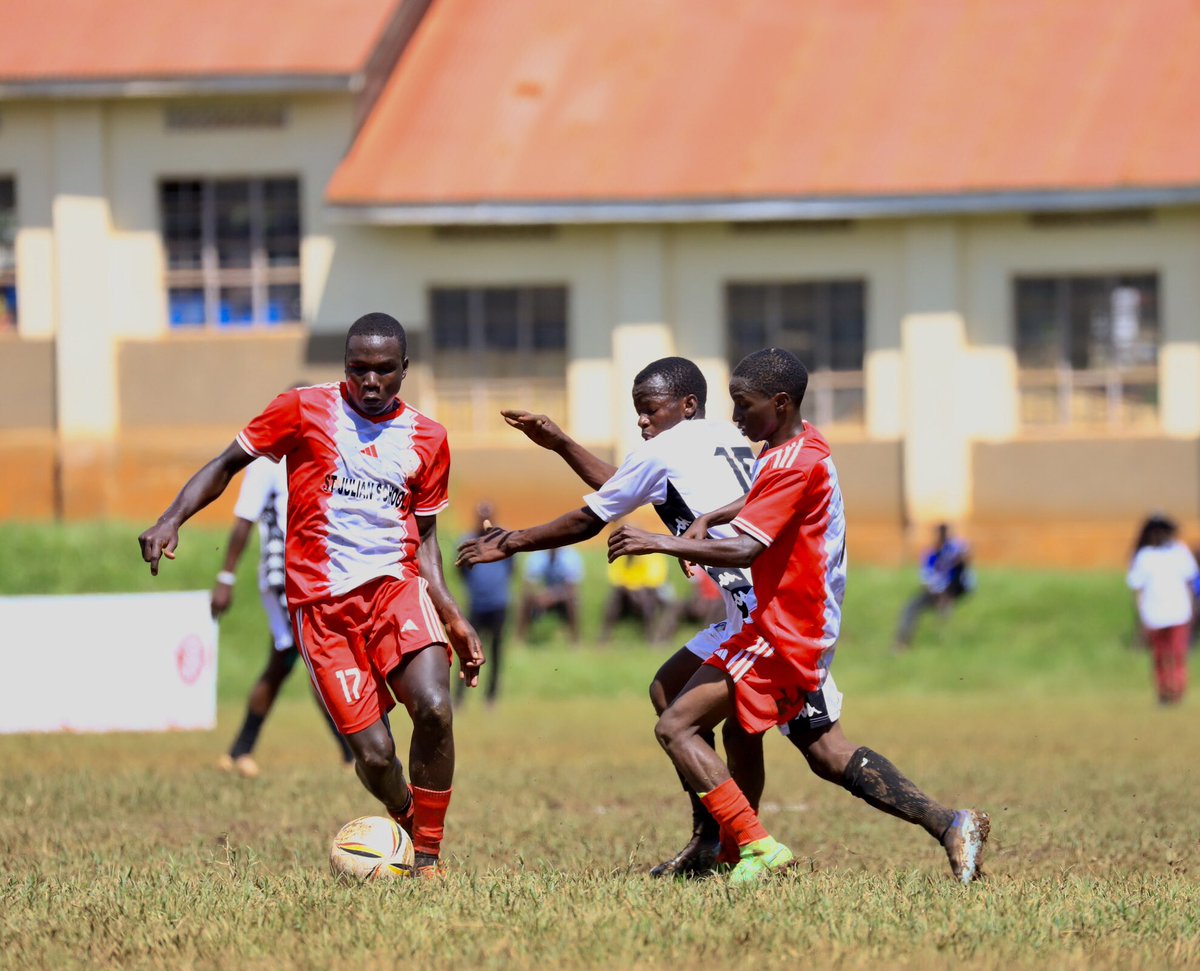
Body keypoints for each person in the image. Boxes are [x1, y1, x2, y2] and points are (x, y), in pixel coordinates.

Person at [608, 348, 990, 885]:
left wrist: (659, 541)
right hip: (777, 620)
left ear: (780, 402)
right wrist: (710, 517)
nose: (736, 417)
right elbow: (758, 500)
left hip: (784, 627)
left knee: (683, 727)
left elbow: (745, 550)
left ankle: (753, 847)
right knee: (787, 740)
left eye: (745, 405)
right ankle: (947, 824)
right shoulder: (798, 447)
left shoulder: (794, 462)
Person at [139, 312, 483, 877]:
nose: (370, 383)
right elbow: (229, 463)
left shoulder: (430, 438)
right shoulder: (301, 410)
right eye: (358, 370)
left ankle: (427, 857)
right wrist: (171, 518)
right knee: (374, 755)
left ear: (404, 370)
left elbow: (424, 542)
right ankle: (401, 813)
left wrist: (452, 614)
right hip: (321, 610)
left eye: (383, 372)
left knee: (436, 708)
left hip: (396, 591)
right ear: (344, 366)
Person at [457, 356, 767, 878]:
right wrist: (560, 442)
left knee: (821, 747)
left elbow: (591, 518)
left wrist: (511, 542)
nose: (642, 422)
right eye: (637, 413)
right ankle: (714, 840)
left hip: (764, 610)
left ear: (687, 405)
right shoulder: (718, 438)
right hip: (748, 605)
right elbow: (622, 489)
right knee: (671, 693)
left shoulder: (672, 446)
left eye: (650, 410)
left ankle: (941, 822)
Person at [212, 452, 354, 777]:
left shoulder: (324, 451)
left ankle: (238, 752)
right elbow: (244, 520)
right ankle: (352, 754)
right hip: (284, 576)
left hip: (316, 575)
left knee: (283, 661)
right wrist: (226, 577)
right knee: (319, 661)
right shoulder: (266, 464)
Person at [1127, 513, 1198, 705]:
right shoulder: (1144, 556)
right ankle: (1163, 692)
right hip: (1154, 614)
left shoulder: (1180, 553)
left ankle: (1177, 691)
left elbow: (1191, 583)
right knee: (1159, 656)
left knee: (1177, 654)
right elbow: (1138, 589)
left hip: (1178, 613)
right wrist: (1141, 616)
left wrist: (1192, 610)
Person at [455, 501, 514, 706]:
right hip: (476, 605)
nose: (484, 520)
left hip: (498, 603)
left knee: (496, 653)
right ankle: (460, 698)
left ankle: (491, 696)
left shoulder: (503, 540)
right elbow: (460, 569)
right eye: (481, 515)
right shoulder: (466, 541)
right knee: (468, 652)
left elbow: (511, 567)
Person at [893, 523, 974, 652]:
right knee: (910, 608)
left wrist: (953, 559)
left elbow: (965, 558)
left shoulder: (955, 548)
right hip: (936, 592)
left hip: (957, 588)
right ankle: (901, 643)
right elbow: (926, 580)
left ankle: (947, 602)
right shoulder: (930, 555)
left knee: (956, 574)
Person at [600, 553, 675, 646]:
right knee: (615, 598)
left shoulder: (652, 554)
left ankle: (653, 637)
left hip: (649, 590)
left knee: (649, 600)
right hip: (627, 591)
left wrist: (635, 588)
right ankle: (604, 637)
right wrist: (631, 588)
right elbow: (615, 579)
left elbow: (654, 581)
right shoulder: (620, 555)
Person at [517, 547, 584, 644]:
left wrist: (554, 596)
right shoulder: (537, 557)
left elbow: (572, 589)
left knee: (572, 600)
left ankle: (574, 640)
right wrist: (540, 595)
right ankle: (520, 638)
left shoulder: (571, 557)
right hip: (543, 597)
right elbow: (528, 586)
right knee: (526, 598)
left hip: (562, 599)